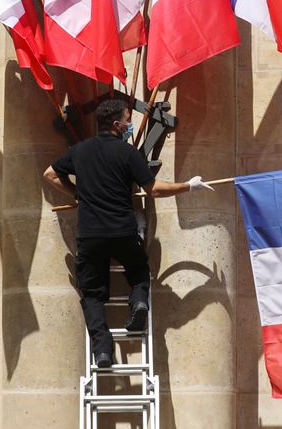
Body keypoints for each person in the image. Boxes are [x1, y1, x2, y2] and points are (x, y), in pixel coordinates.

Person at [44, 98, 213, 368]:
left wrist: (77, 194)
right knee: (138, 271)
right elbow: (153, 189)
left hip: (91, 235)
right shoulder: (128, 153)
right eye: (126, 119)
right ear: (116, 124)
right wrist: (188, 186)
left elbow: (51, 174)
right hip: (122, 231)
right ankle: (137, 303)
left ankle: (102, 350)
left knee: (92, 293)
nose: (129, 124)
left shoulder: (80, 150)